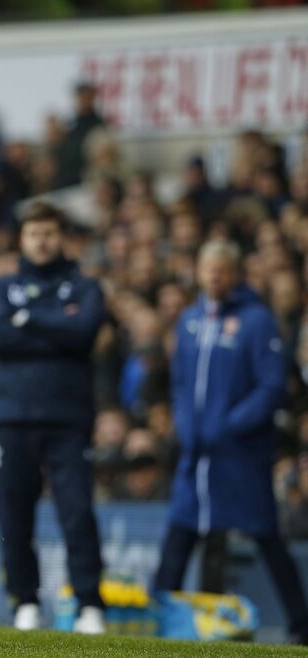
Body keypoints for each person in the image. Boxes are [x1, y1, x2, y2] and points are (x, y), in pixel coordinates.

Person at [153, 240, 308, 645]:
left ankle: (300, 622)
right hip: (196, 453)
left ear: (236, 273)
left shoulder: (257, 321)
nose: (214, 276)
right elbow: (181, 383)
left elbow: (272, 386)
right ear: (199, 272)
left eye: (222, 269)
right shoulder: (188, 321)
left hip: (241, 454)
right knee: (180, 533)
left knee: (264, 534)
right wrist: (186, 425)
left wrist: (229, 425)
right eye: (208, 268)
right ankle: (156, 618)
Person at [0, 202, 106, 634]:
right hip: (10, 418)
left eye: (49, 233)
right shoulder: (1, 287)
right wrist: (56, 327)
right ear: (22, 238)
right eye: (34, 233)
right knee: (14, 516)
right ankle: (26, 601)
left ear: (61, 237)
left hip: (68, 419)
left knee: (77, 513)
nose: (42, 241)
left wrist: (28, 321)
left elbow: (85, 332)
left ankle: (89, 603)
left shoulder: (85, 286)